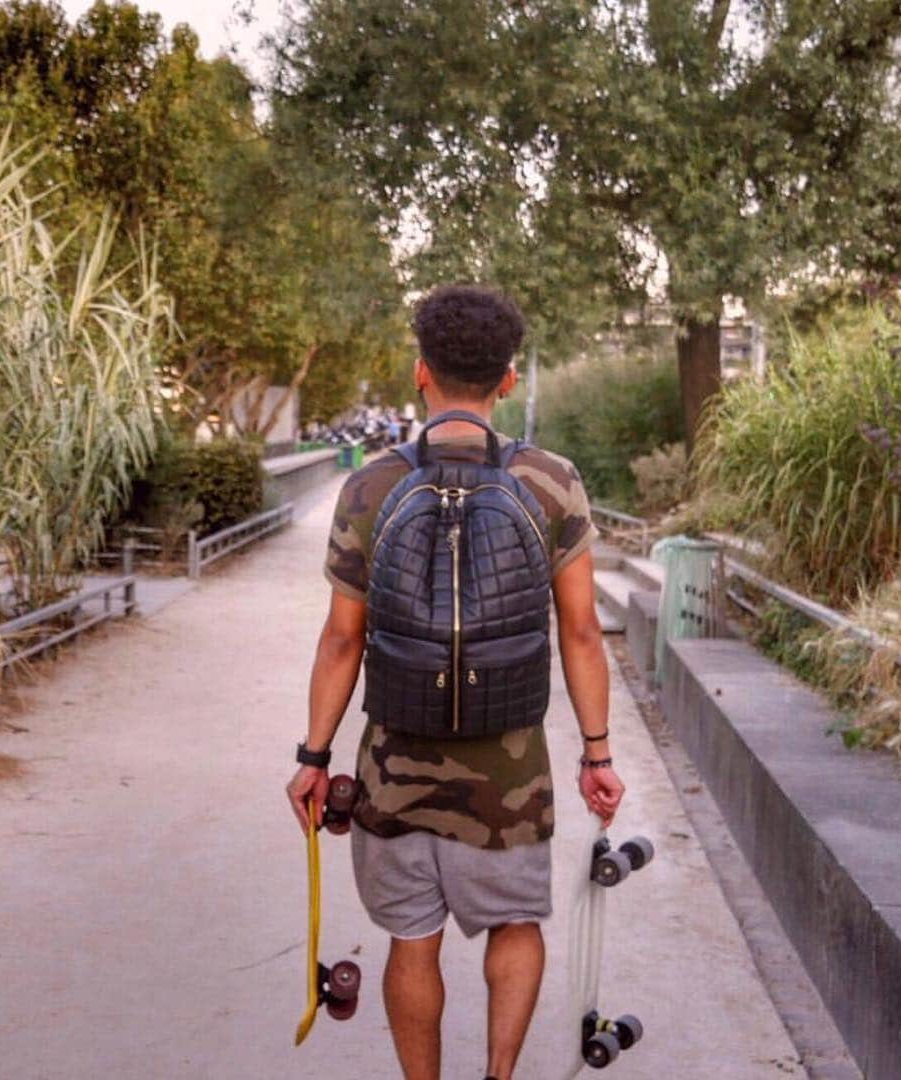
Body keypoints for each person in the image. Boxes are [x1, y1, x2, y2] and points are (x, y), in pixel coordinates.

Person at [286, 284, 624, 1080]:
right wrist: (598, 756)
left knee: (413, 939)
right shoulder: (552, 482)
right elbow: (579, 630)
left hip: (396, 763)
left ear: (420, 373)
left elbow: (343, 638)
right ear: (507, 380)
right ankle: (499, 1077)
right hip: (509, 766)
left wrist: (312, 755)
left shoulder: (370, 486)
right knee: (515, 924)